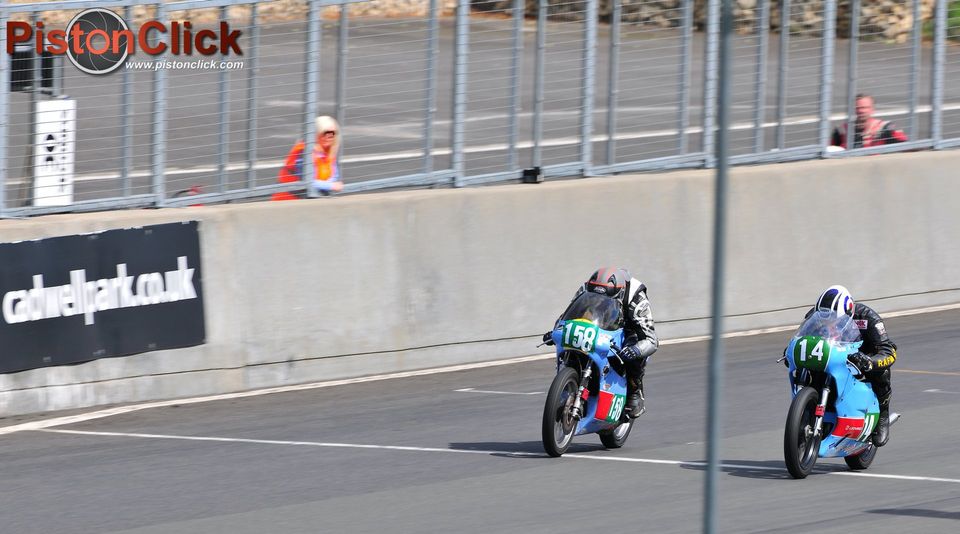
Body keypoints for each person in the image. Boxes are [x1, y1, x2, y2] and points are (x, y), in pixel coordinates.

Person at [543, 267, 659, 418]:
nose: (600, 299)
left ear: (620, 292)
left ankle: (634, 391)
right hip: (597, 324)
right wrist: (556, 331)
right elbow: (569, 314)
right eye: (595, 295)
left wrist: (636, 350)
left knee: (633, 348)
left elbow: (652, 340)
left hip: (627, 327)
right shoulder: (586, 288)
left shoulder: (637, 299)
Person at [804, 285, 897, 447]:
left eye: (835, 320)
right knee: (806, 369)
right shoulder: (815, 315)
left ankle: (882, 414)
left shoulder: (869, 318)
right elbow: (803, 338)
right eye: (826, 321)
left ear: (849, 312)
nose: (830, 324)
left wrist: (870, 362)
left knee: (882, 372)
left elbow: (889, 352)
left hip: (860, 357)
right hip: (831, 356)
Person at [272, 115, 344, 201]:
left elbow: (334, 176)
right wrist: (330, 186)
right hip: (288, 201)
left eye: (332, 133)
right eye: (325, 133)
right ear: (316, 134)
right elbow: (306, 182)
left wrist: (330, 184)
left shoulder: (328, 152)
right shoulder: (303, 152)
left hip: (310, 199)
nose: (329, 137)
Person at [831, 93, 908, 149]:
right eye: (858, 108)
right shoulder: (842, 131)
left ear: (872, 109)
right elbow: (831, 152)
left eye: (865, 108)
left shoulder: (885, 128)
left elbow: (905, 146)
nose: (861, 111)